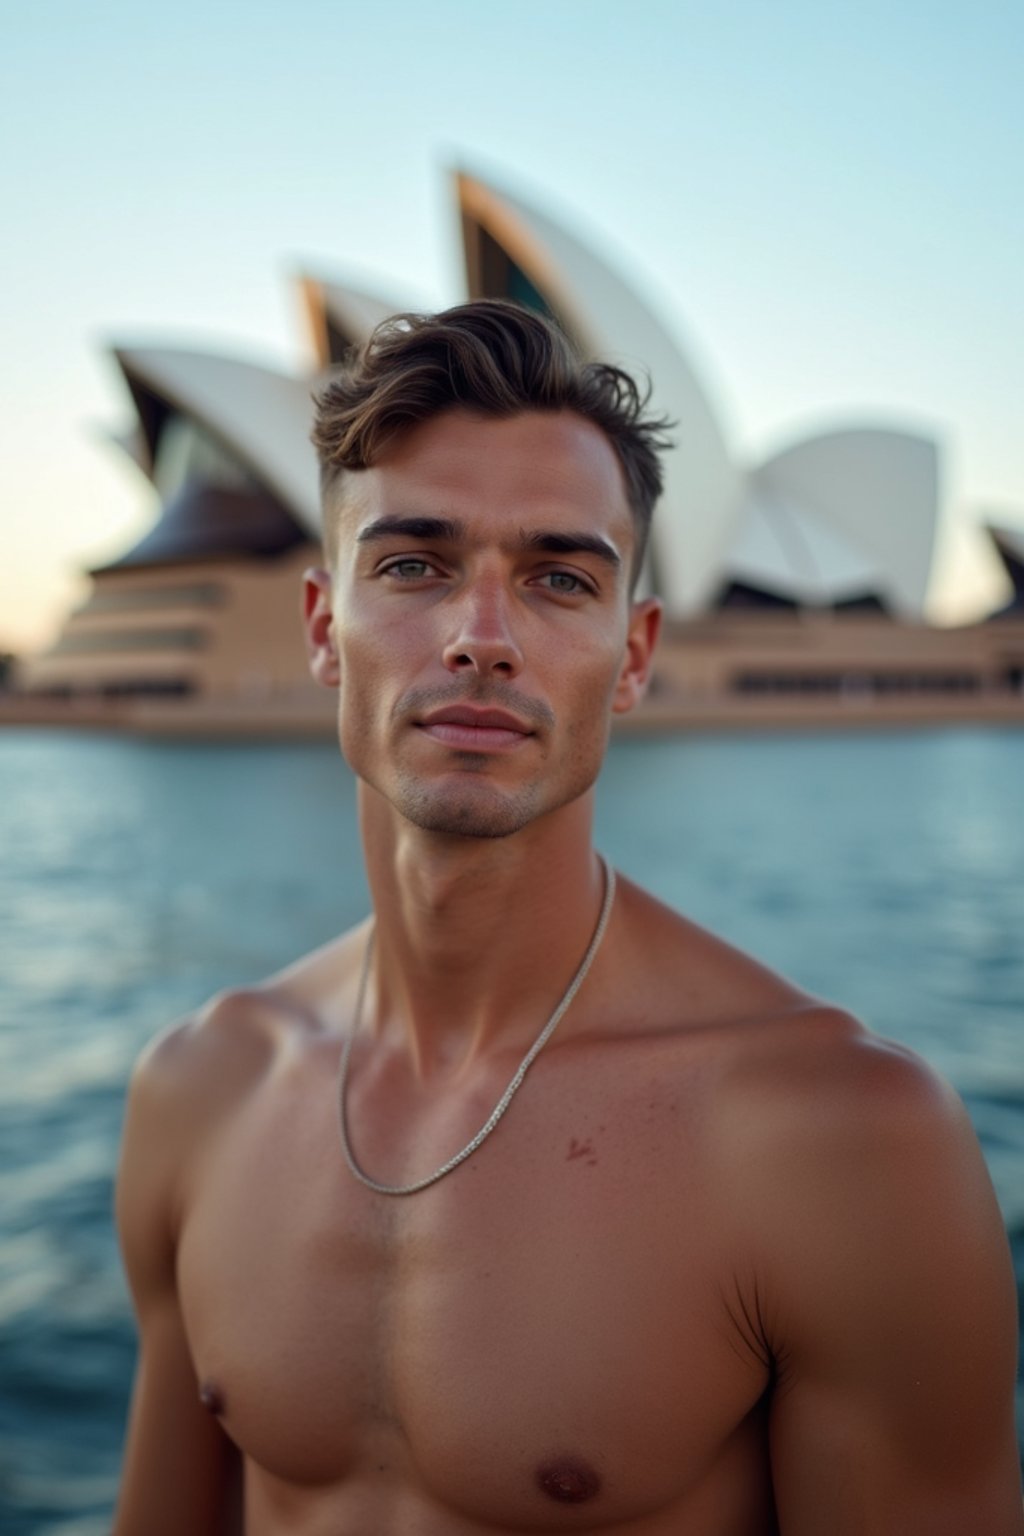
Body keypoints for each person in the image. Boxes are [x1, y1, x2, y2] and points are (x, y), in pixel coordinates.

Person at [113, 299, 1023, 1535]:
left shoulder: (841, 1140)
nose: (483, 638)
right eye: (414, 565)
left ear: (634, 652)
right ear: (327, 627)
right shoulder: (201, 1086)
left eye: (556, 577)